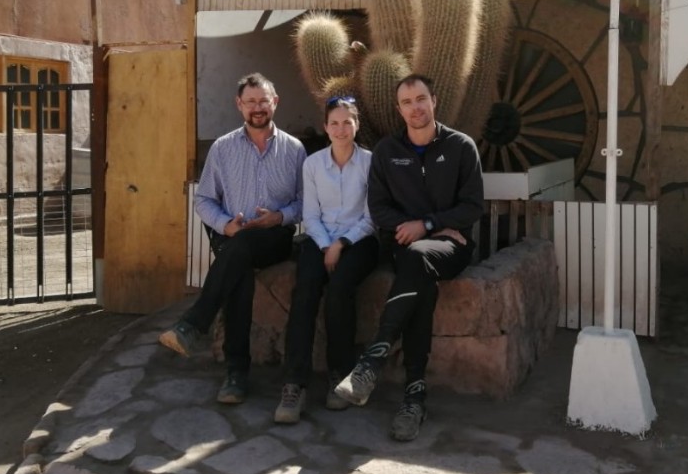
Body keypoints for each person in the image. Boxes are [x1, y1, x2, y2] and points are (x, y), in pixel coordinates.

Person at [334, 74, 484, 441]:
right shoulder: (387, 151)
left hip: (453, 246)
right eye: (407, 102)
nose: (415, 107)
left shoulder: (461, 146)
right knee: (420, 282)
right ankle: (414, 397)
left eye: (421, 99)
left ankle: (371, 362)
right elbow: (379, 208)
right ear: (399, 109)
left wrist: (430, 223)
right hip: (408, 245)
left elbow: (473, 206)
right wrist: (413, 227)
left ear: (434, 100)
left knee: (418, 259)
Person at [158, 73, 305, 404]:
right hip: (233, 237)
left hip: (274, 238)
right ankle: (235, 371)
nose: (257, 107)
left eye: (263, 101)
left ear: (275, 102)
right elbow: (204, 199)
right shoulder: (222, 149)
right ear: (239, 105)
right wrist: (226, 225)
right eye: (250, 101)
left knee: (238, 254)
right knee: (238, 268)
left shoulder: (294, 150)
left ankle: (198, 328)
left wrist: (279, 217)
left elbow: (305, 200)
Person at [274, 97, 379, 424]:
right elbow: (311, 214)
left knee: (339, 291)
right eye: (334, 123)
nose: (340, 129)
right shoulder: (313, 164)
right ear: (325, 127)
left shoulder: (371, 163)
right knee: (304, 292)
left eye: (347, 122)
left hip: (360, 241)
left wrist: (343, 243)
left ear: (356, 125)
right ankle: (294, 385)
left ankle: (340, 375)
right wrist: (325, 245)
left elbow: (372, 216)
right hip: (320, 240)